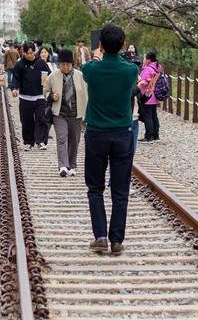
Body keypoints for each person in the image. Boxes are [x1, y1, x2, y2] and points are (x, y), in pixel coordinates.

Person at [81, 24, 141, 256]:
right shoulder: (130, 71)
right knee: (120, 188)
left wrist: (96, 55)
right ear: (123, 45)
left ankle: (100, 236)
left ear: (101, 45)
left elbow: (87, 67)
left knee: (95, 187)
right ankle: (117, 239)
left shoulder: (91, 70)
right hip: (123, 134)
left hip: (96, 133)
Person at [49, 49, 87, 176]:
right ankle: (63, 166)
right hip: (59, 113)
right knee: (61, 138)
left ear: (72, 64)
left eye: (68, 64)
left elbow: (87, 95)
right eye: (62, 64)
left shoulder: (80, 76)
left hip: (76, 114)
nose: (65, 67)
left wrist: (85, 116)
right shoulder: (53, 76)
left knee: (74, 140)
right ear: (59, 64)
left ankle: (72, 165)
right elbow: (45, 92)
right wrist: (51, 96)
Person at [8, 42, 51, 149]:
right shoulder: (20, 64)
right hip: (25, 96)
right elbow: (16, 78)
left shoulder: (41, 63)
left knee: (41, 119)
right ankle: (28, 141)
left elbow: (49, 75)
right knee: (27, 120)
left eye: (31, 53)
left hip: (40, 96)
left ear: (34, 52)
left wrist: (47, 82)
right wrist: (14, 88)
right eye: (27, 53)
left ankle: (40, 141)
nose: (29, 55)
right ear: (24, 53)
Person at [137, 52, 165, 142]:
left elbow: (143, 81)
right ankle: (156, 135)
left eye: (144, 58)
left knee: (147, 116)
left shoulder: (148, 69)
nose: (143, 60)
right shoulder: (158, 67)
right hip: (156, 95)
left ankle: (149, 136)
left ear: (148, 59)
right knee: (154, 115)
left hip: (147, 95)